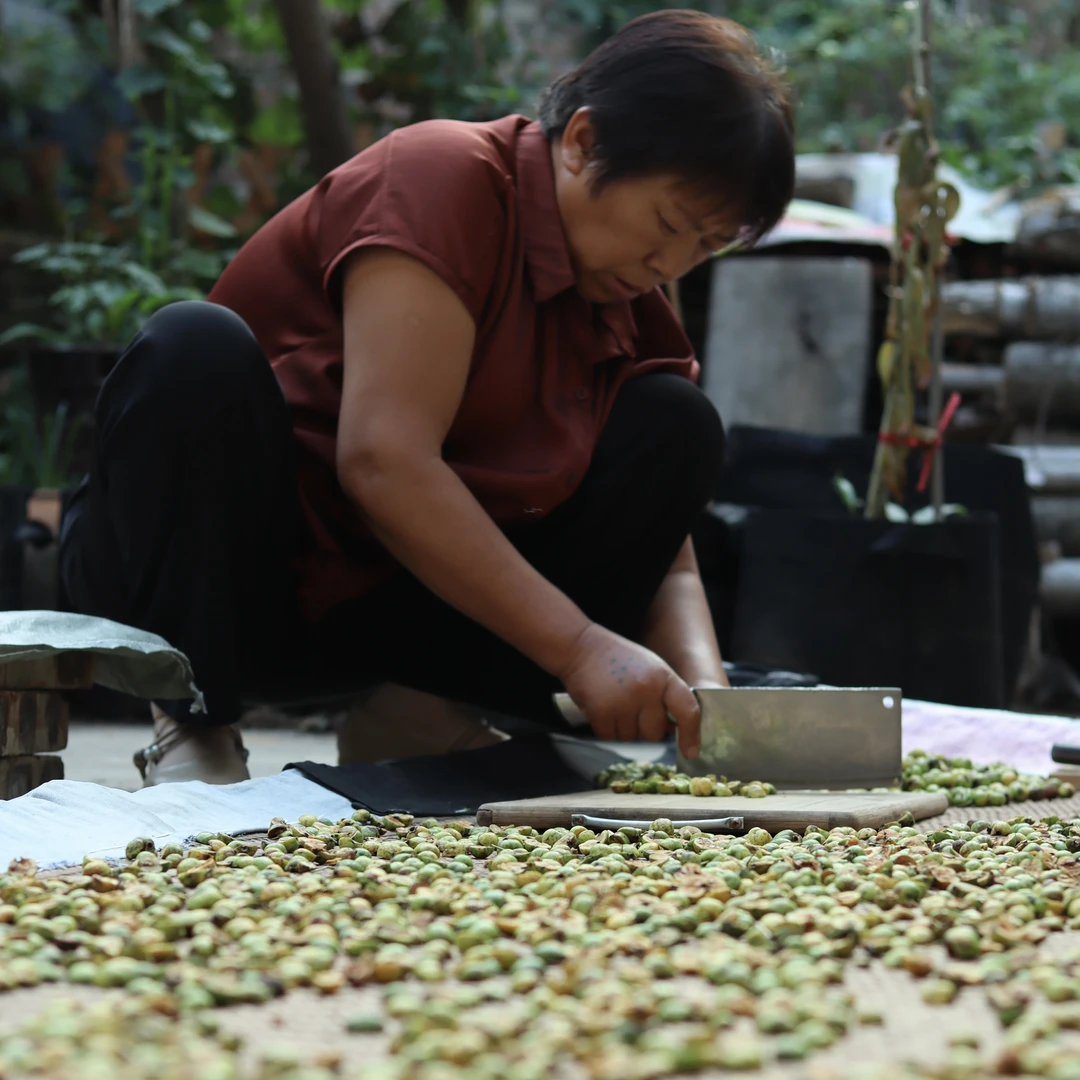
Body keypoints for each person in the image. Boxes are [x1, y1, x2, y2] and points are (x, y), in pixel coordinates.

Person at [60, 9, 794, 785]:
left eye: (705, 245)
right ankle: (191, 728)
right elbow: (383, 462)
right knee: (192, 346)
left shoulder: (627, 293)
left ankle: (417, 718)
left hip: (381, 616)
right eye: (668, 222)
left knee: (674, 426)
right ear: (583, 143)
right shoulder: (442, 178)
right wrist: (580, 646)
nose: (667, 262)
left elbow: (666, 548)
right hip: (226, 588)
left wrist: (708, 696)